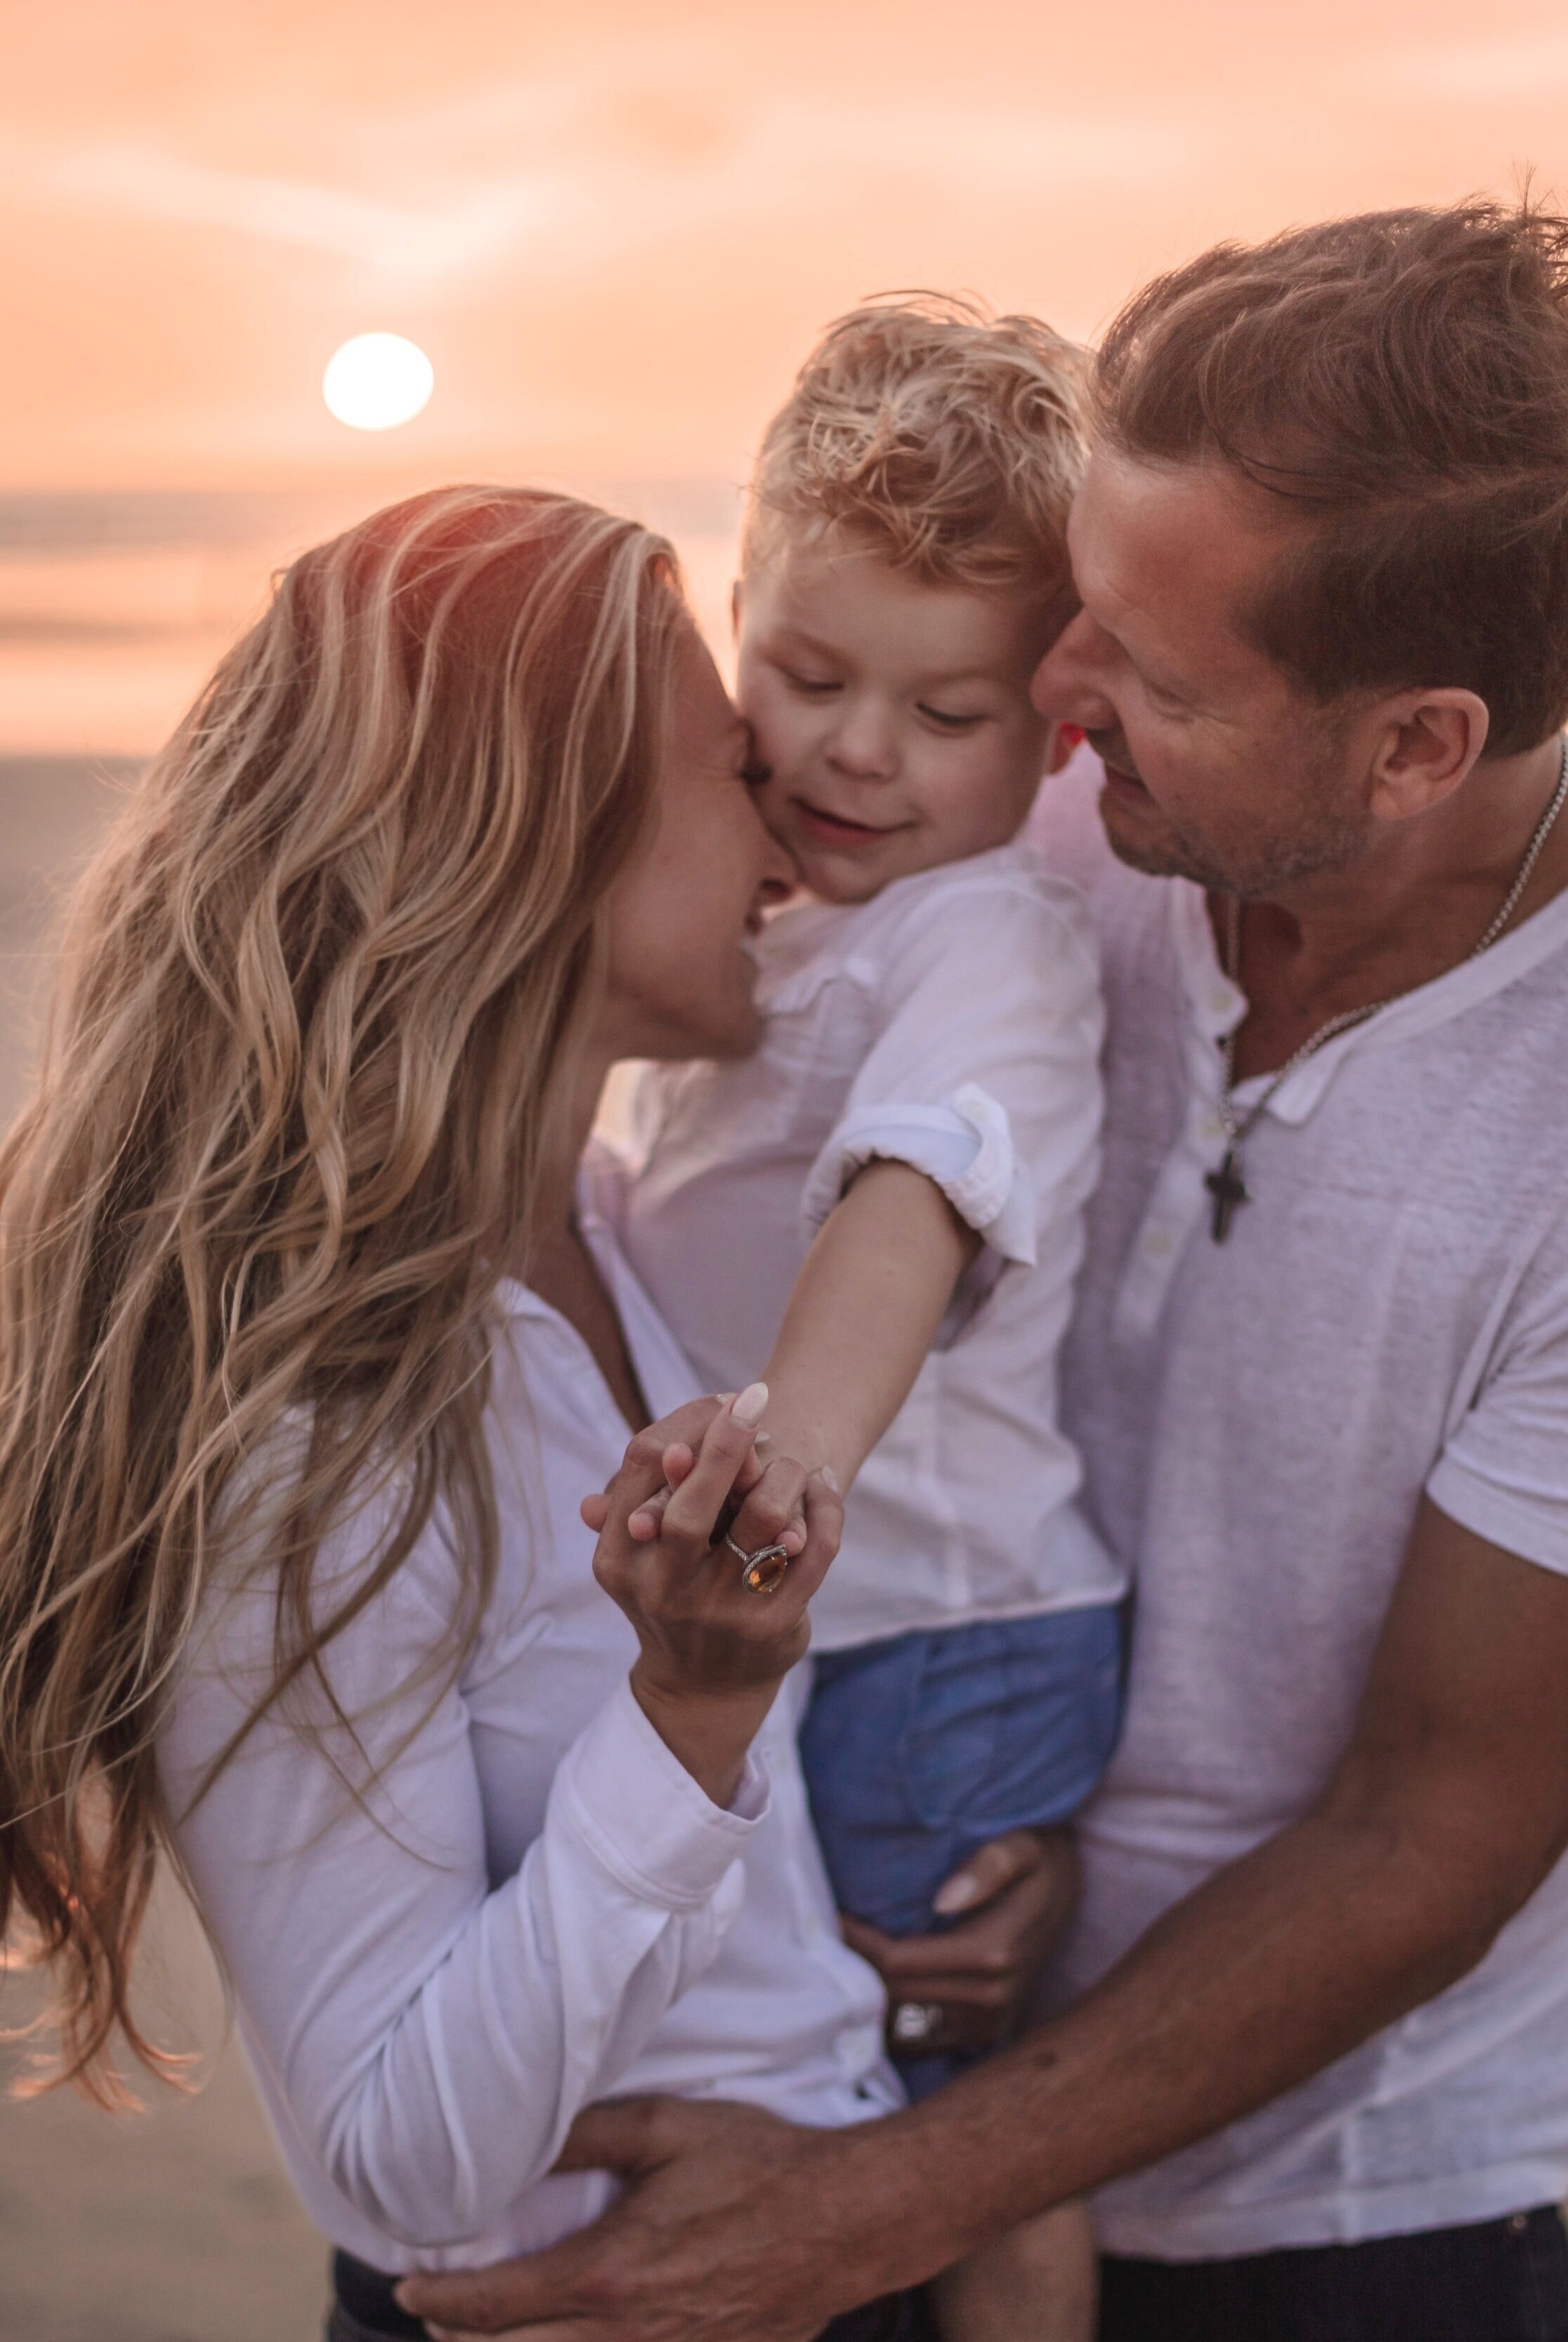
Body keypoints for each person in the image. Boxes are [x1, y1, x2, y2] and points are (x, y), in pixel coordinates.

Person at [400, 201, 1568, 2342]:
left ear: (1412, 746)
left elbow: (1434, 1833)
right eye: (1073, 611)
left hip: (1329, 2228)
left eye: (1141, 667)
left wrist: (870, 2202)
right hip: (871, 1986)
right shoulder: (1007, 795)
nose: (1047, 690)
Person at [0, 485, 954, 2342]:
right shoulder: (319, 1404)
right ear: (533, 841)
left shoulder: (607, 1225)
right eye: (727, 772)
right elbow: (394, 2160)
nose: (788, 837)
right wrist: (691, 1712)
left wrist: (871, 1957)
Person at [599, 296, 1123, 2342]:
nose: (852, 753)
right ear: (735, 607)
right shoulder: (768, 916)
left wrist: (784, 1461)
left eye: (942, 715)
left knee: (936, 2122)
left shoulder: (983, 935)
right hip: (839, 1623)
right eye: (806, 675)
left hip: (928, 1638)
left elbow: (919, 1190)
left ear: (1058, 730)